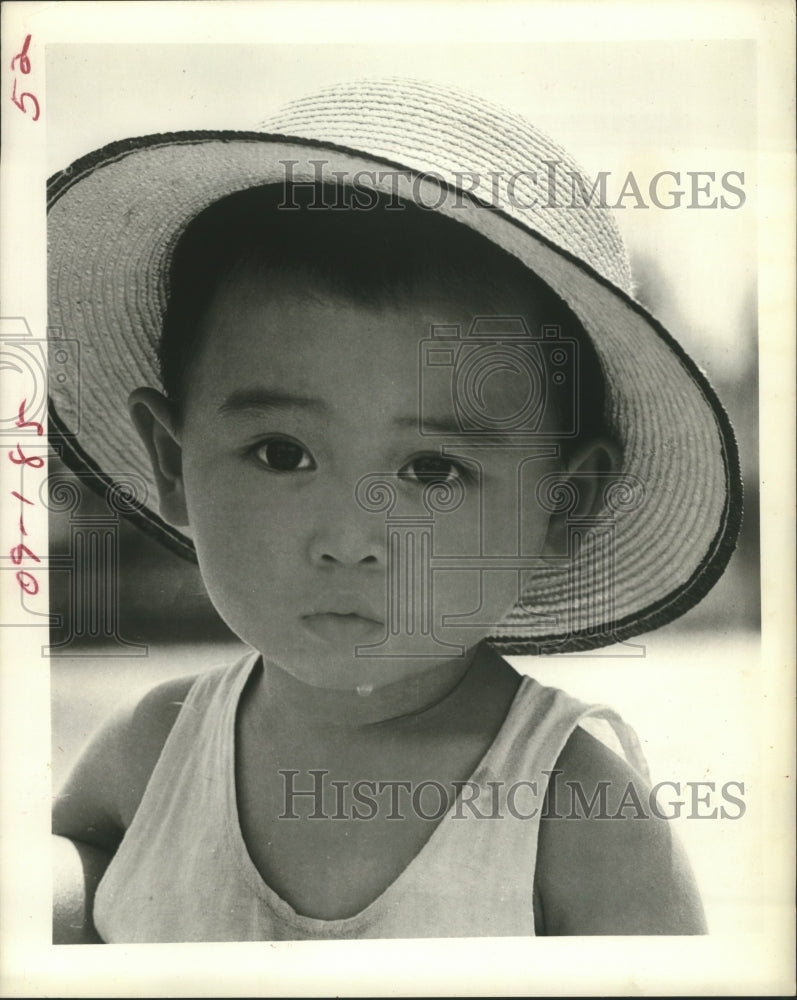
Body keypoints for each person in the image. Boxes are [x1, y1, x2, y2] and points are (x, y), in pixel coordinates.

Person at [48, 77, 741, 942]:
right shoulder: (148, 757)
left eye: (433, 469)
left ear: (564, 502)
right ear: (171, 461)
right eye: (281, 454)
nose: (347, 540)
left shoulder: (576, 812)